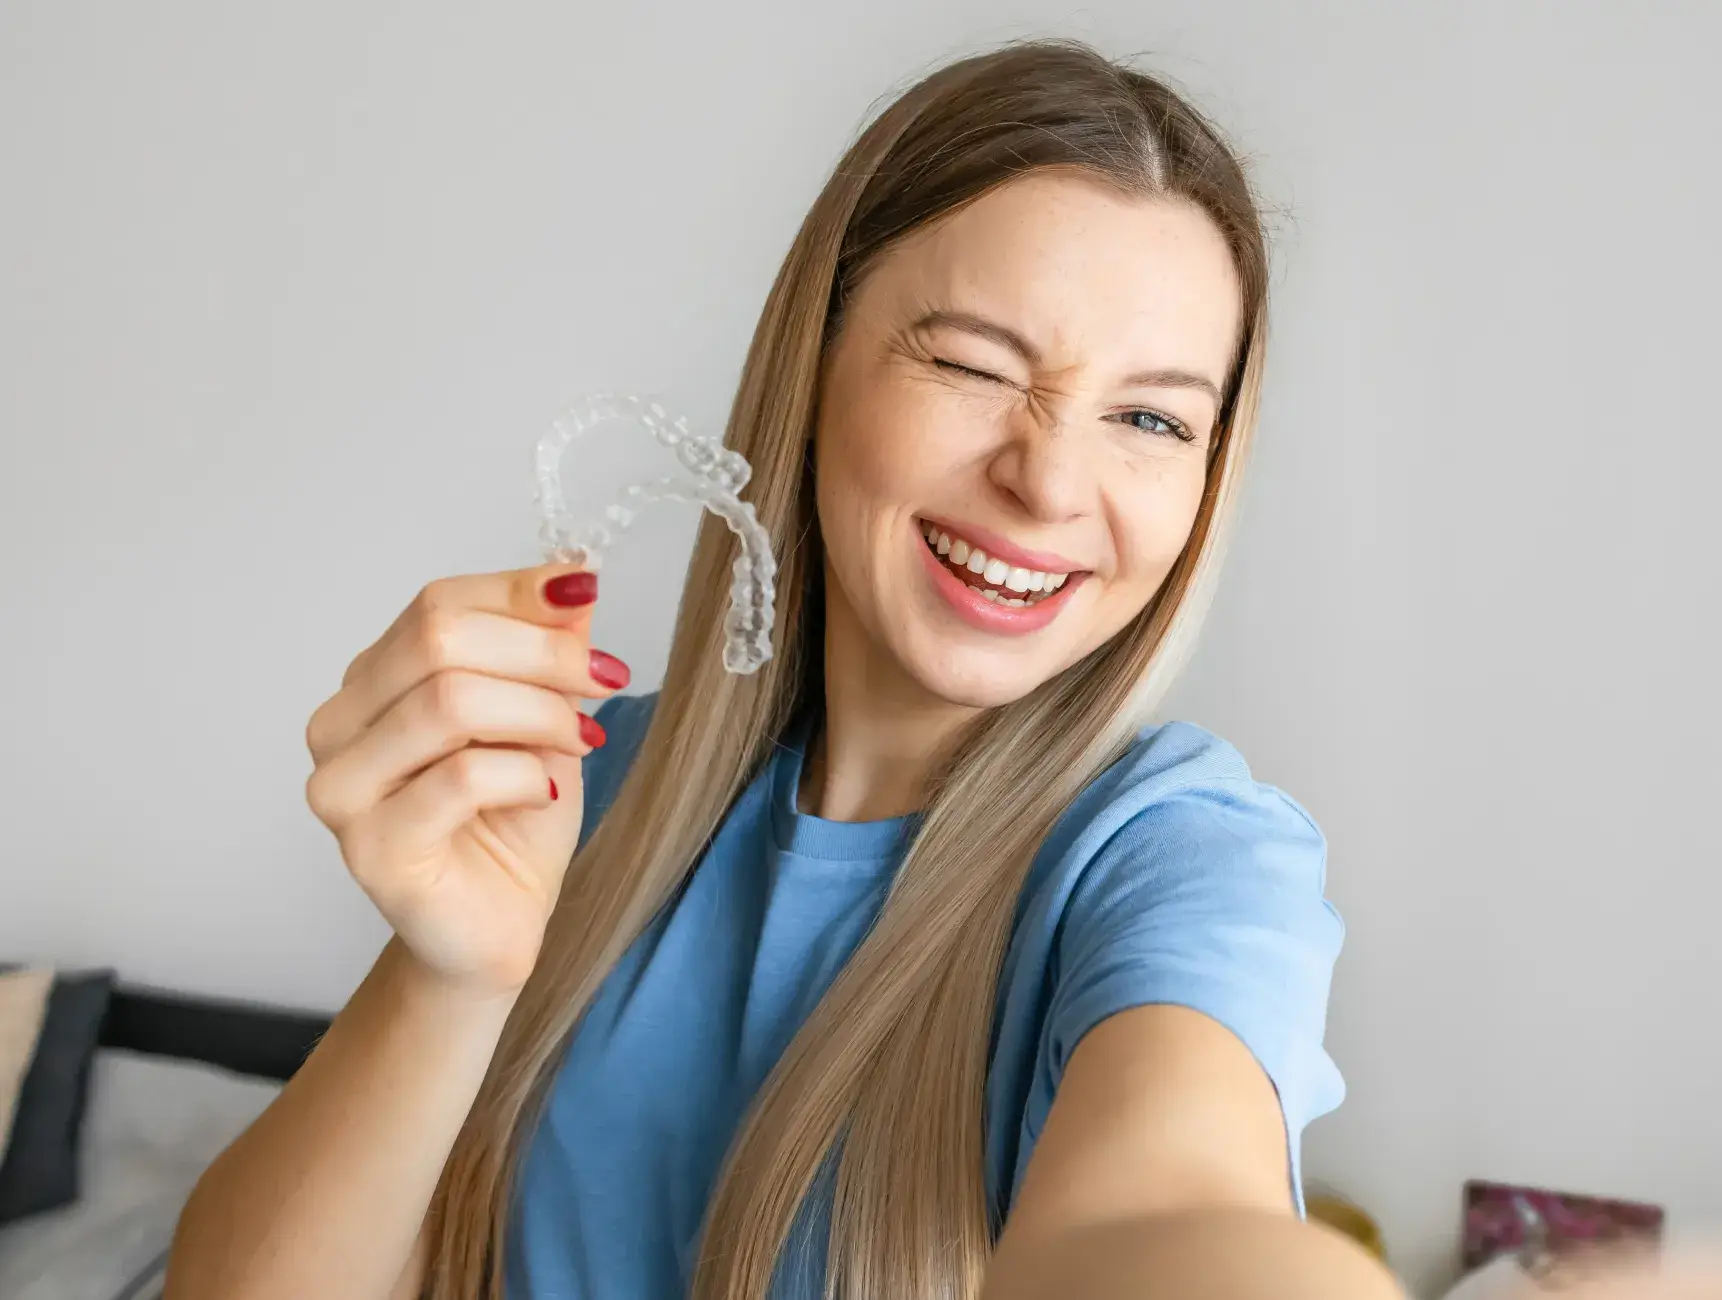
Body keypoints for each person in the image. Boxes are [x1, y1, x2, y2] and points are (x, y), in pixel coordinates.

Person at [167, 38, 1398, 1300]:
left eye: (1151, 420)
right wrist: (450, 973)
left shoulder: (1179, 854)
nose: (1047, 481)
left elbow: (1168, 1208)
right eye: (974, 366)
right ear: (813, 366)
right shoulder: (579, 786)